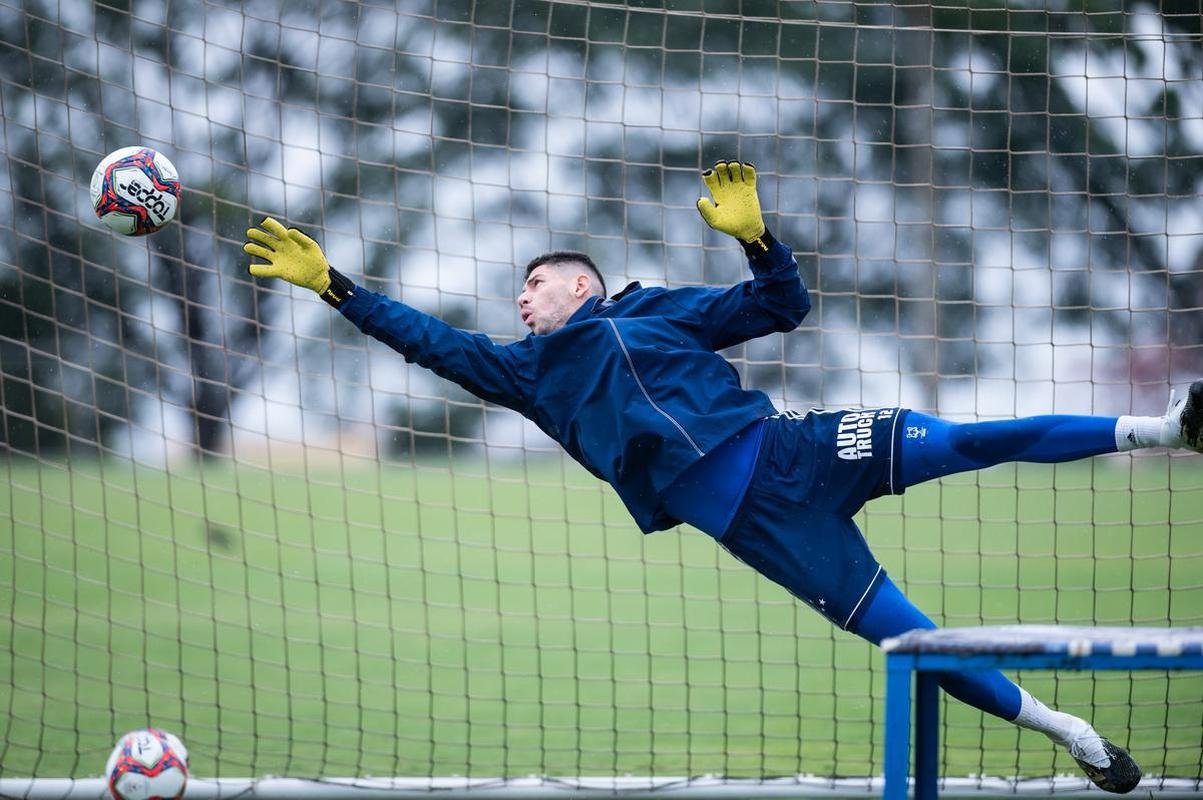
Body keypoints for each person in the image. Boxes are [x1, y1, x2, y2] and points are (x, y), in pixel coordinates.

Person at [244, 161, 1202, 794]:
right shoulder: (527, 375)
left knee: (967, 440)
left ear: (581, 284)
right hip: (761, 528)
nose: (518, 301)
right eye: (516, 296)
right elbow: (431, 345)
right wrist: (337, 286)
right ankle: (1068, 732)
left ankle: (1162, 424)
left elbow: (784, 303)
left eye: (531, 285)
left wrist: (756, 238)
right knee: (913, 641)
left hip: (801, 448)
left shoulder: (657, 310)